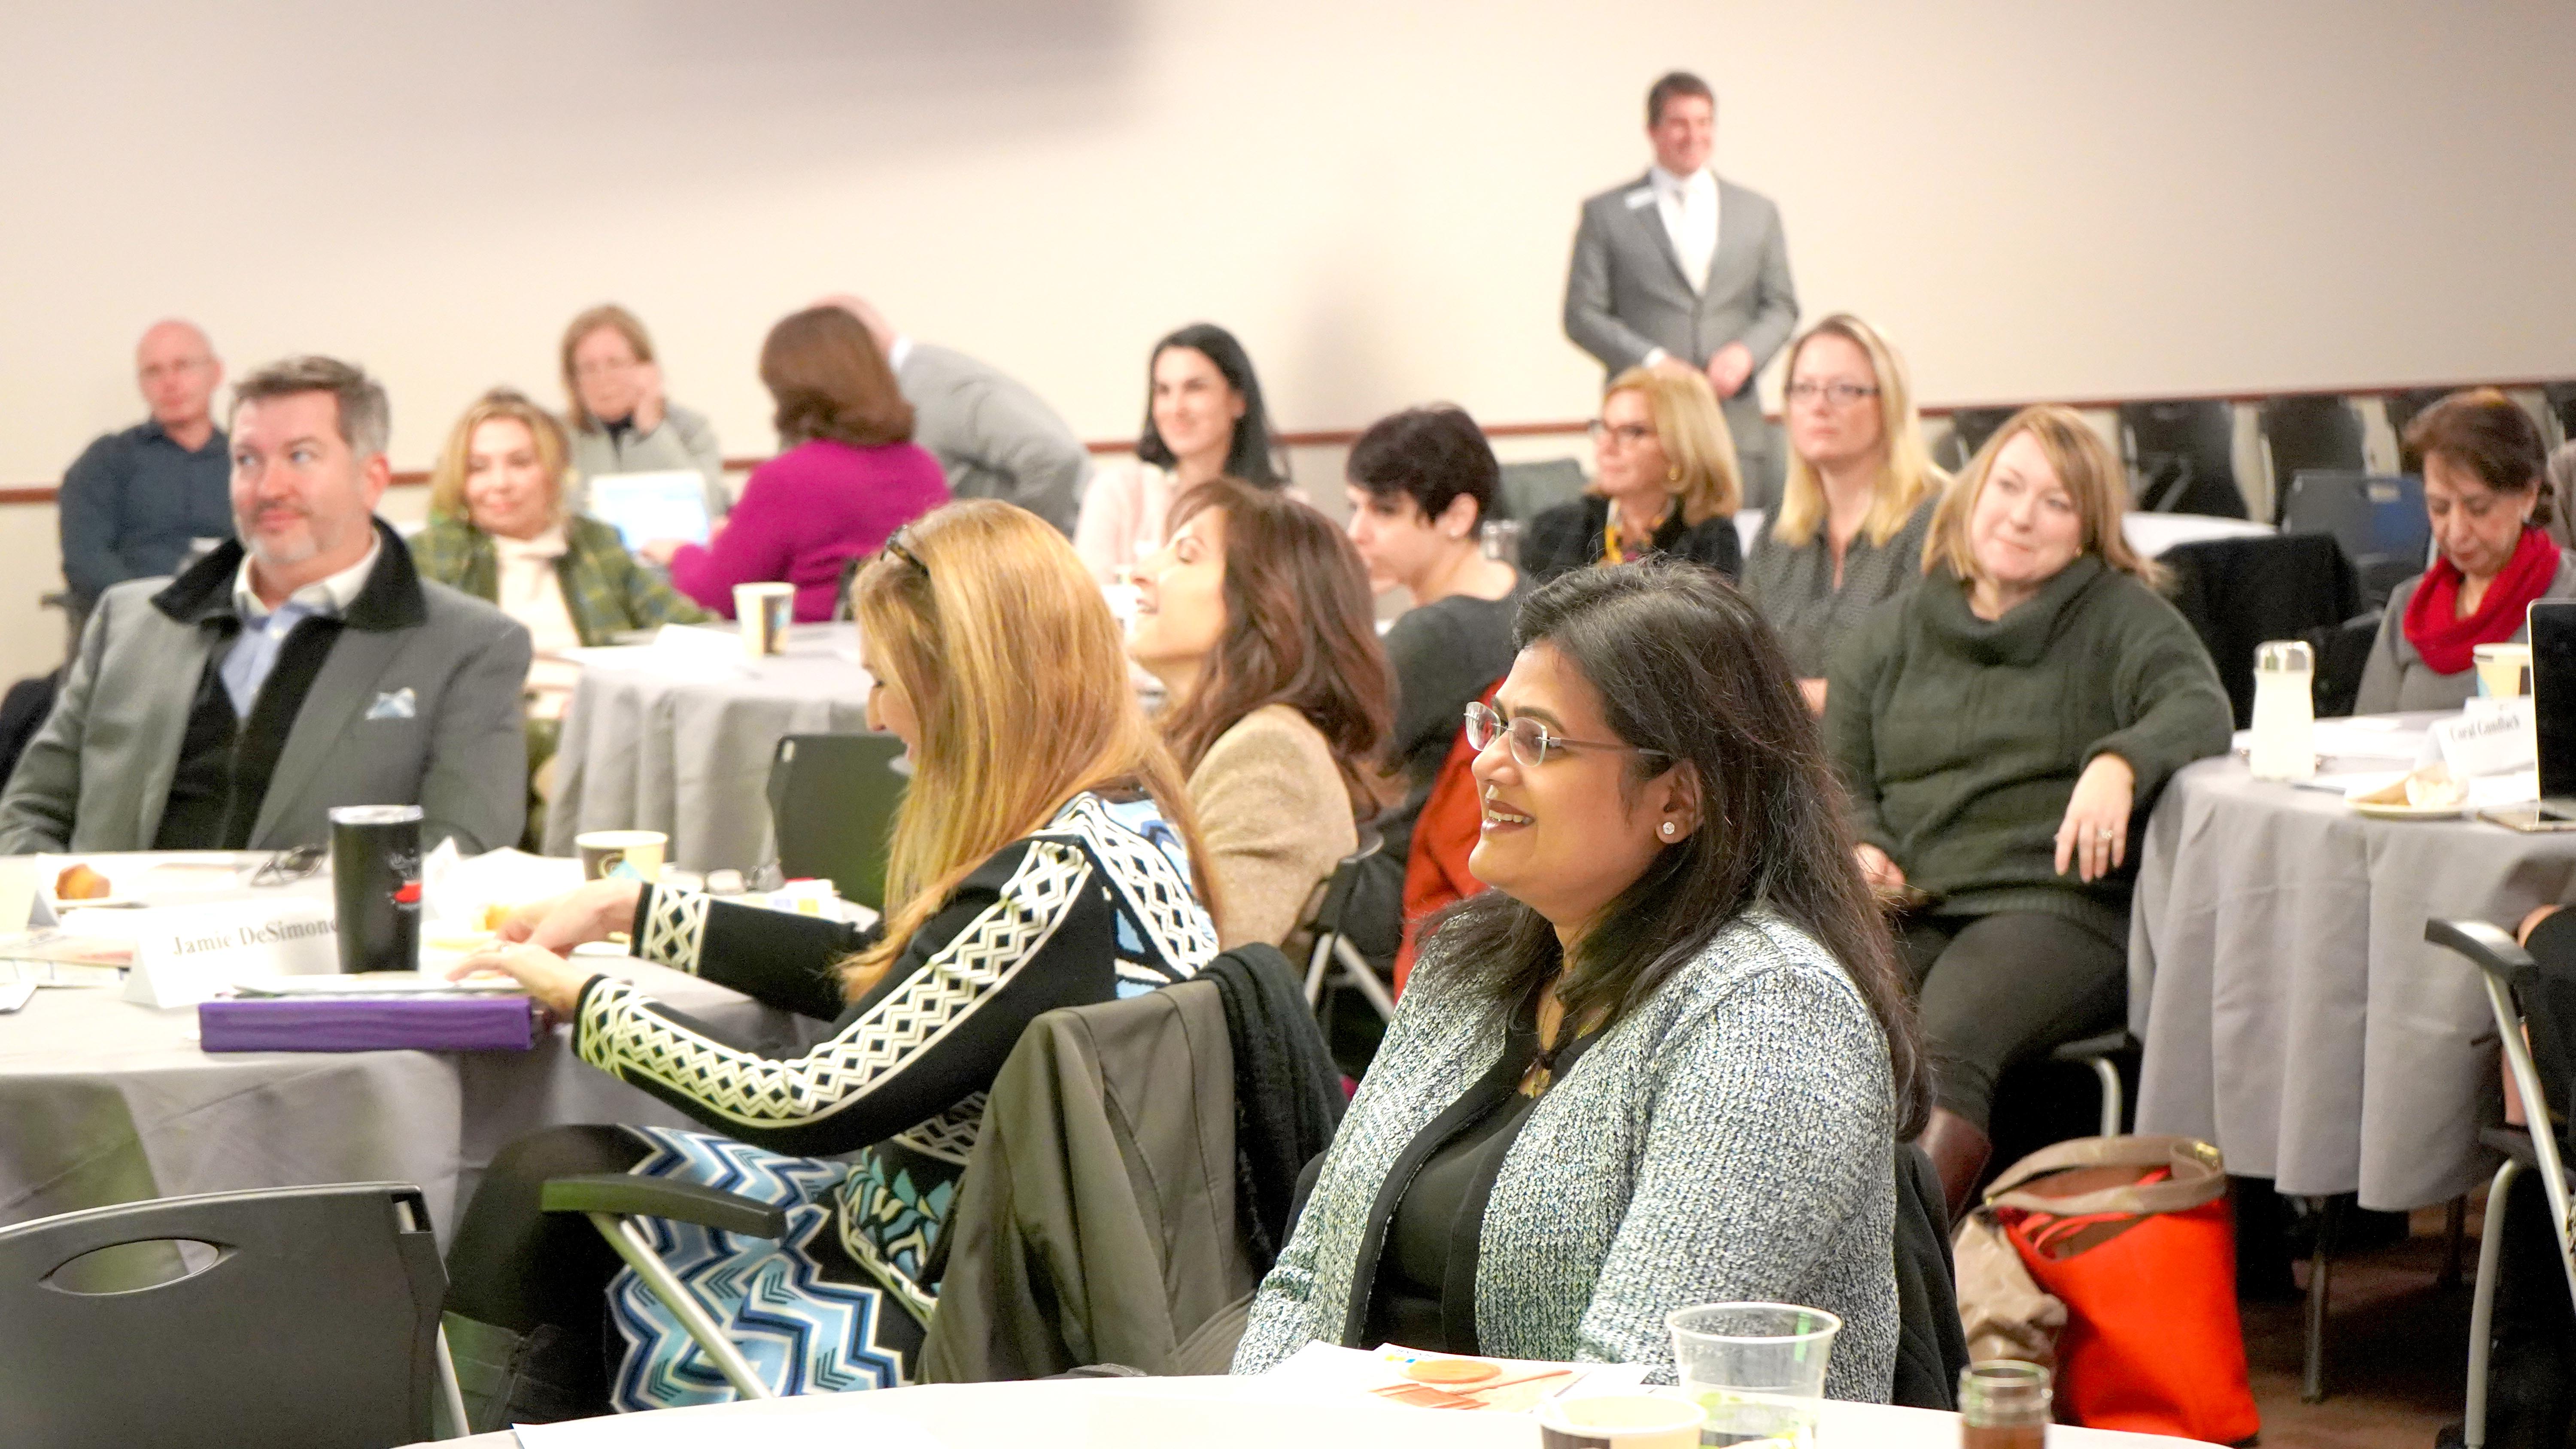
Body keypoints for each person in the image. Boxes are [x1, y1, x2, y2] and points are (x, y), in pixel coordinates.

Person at [438, 500, 1220, 1427]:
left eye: (886, 681)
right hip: (973, 1244)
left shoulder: (1044, 890)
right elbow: (908, 980)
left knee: (540, 1188)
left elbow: (803, 1101)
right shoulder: (1122, 829)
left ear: (969, 691)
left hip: (941, 1298)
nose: (875, 713)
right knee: (554, 1174)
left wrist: (590, 1002)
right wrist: (635, 910)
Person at [1231, 561, 1925, 1397]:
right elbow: (1306, 1278)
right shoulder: (1469, 964)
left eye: (1541, 740)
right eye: (1496, 724)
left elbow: (1641, 1386)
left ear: (1679, 795)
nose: (1487, 764)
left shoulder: (1768, 1012)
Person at [1824, 405, 2232, 1218]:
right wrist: (1863, 845)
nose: (2021, 515)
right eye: (2008, 486)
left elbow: (2200, 707)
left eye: (2056, 502)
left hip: (2058, 906)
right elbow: (1836, 775)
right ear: (1972, 494)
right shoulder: (1890, 632)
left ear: (2087, 528)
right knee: (1820, 1020)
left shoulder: (2121, 616)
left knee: (1947, 1039)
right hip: (1917, 899)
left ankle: (1901, 1288)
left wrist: (2119, 760)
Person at [0, 356, 531, 855]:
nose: (268, 487)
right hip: (110, 944)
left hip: (327, 947)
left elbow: (459, 855)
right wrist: (73, 914)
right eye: (247, 460)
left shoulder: (468, 646)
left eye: (301, 456)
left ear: (371, 479)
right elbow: (26, 813)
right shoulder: (129, 623)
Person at [411, 390, 710, 843]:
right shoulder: (437, 555)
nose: (500, 483)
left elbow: (692, 631)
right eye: (478, 468)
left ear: (553, 470)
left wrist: (607, 699)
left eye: (520, 463)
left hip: (604, 724)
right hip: (501, 731)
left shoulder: (596, 544)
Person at [1130, 478, 1391, 949]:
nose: (1141, 572)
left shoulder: (1271, 753)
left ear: (1270, 602)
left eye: (1185, 555)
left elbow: (1201, 964)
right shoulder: (1196, 734)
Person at [1339, 404, 1531, 955]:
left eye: (1385, 511)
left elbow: (1327, 763)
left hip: (1406, 889)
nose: (1358, 533)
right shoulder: (1524, 594)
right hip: (1487, 887)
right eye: (1356, 508)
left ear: (1457, 516)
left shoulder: (1433, 635)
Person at [1564, 71, 1798, 505]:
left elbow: (1781, 305)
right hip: (1645, 430)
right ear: (1652, 130)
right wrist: (1655, 363)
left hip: (1733, 427)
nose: (1694, 135)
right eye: (1679, 123)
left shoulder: (1757, 212)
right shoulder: (1607, 214)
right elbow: (1582, 314)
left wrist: (1746, 353)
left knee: (1735, 560)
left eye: (1704, 122)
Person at [642, 306, 949, 622]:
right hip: (907, 658)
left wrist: (680, 554)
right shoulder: (925, 468)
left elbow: (715, 595)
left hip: (809, 656)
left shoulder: (788, 479)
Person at [1744, 314, 1946, 711]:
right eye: (1803, 389)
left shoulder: (1938, 520)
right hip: (1791, 760)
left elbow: (1926, 676)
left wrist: (1782, 702)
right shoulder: (1780, 528)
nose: (1818, 406)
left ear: (1889, 402)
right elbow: (1742, 662)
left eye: (1843, 390)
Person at [2354, 388, 2576, 713]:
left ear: (2528, 496)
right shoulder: (2410, 608)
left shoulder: (2567, 597)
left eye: (2479, 508)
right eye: (2439, 508)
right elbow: (2367, 738)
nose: (2457, 533)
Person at [824, 293, 1090, 533]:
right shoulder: (908, 384)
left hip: (1037, 569)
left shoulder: (941, 384)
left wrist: (1017, 556)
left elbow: (1054, 458)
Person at [1074, 323, 1287, 582]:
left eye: (1195, 388)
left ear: (1239, 400)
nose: (1176, 408)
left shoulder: (1282, 507)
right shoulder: (1118, 493)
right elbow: (1089, 605)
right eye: (1164, 391)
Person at [58, 319, 236, 626]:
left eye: (183, 366)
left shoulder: (249, 461)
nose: (170, 383)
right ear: (141, 384)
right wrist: (149, 613)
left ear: (216, 373)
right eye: (154, 371)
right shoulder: (106, 461)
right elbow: (86, 560)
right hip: (134, 623)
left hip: (234, 622)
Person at [1521, 366, 1742, 585]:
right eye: (1604, 428)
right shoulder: (1556, 528)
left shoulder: (1709, 540)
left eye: (1632, 432)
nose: (1606, 447)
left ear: (1682, 448)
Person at [558, 304, 729, 523]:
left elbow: (712, 508)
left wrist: (653, 430)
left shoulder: (691, 429)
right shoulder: (557, 437)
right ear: (573, 380)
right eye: (589, 368)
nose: (603, 379)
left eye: (615, 364)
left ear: (646, 367)